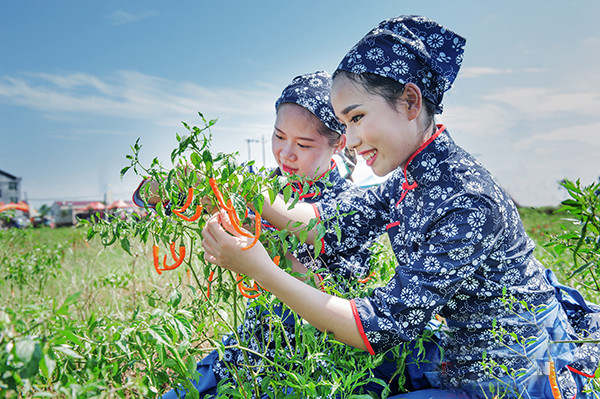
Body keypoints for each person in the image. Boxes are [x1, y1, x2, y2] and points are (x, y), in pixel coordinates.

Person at [202, 16, 600, 399]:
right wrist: (234, 189)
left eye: (357, 118)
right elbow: (327, 224)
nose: (352, 140)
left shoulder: (466, 199)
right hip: (462, 363)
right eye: (345, 123)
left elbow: (378, 326)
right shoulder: (410, 178)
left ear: (410, 101)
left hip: (510, 382)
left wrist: (260, 269)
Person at [160, 71, 383, 398]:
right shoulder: (257, 182)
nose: (285, 154)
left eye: (303, 144)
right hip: (253, 342)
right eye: (279, 136)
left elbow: (337, 298)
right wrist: (183, 184)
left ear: (339, 142)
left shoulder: (351, 207)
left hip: (312, 358)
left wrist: (265, 252)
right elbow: (150, 195)